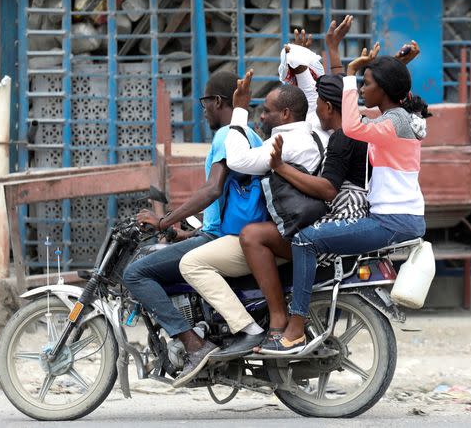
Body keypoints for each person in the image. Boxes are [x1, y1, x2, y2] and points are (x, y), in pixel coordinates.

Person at [242, 19, 422, 343]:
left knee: (305, 240)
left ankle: (294, 327)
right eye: (361, 85)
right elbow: (336, 98)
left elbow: (347, 119)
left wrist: (352, 70)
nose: (362, 90)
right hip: (392, 215)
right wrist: (352, 60)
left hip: (391, 219)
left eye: (368, 84)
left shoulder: (386, 124)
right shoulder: (390, 119)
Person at [175, 74, 324, 379]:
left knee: (200, 259)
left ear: (284, 115)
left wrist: (240, 109)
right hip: (290, 226)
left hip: (291, 232)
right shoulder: (297, 134)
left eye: (266, 110)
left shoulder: (285, 143)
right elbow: (304, 96)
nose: (261, 115)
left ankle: (255, 327)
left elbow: (239, 162)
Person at [122, 71, 262, 383]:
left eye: (205, 103)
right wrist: (181, 231)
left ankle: (194, 345)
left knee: (136, 273)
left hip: (221, 238)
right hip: (220, 233)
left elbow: (213, 189)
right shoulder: (250, 135)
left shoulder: (226, 135)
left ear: (218, 101)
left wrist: (163, 220)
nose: (204, 110)